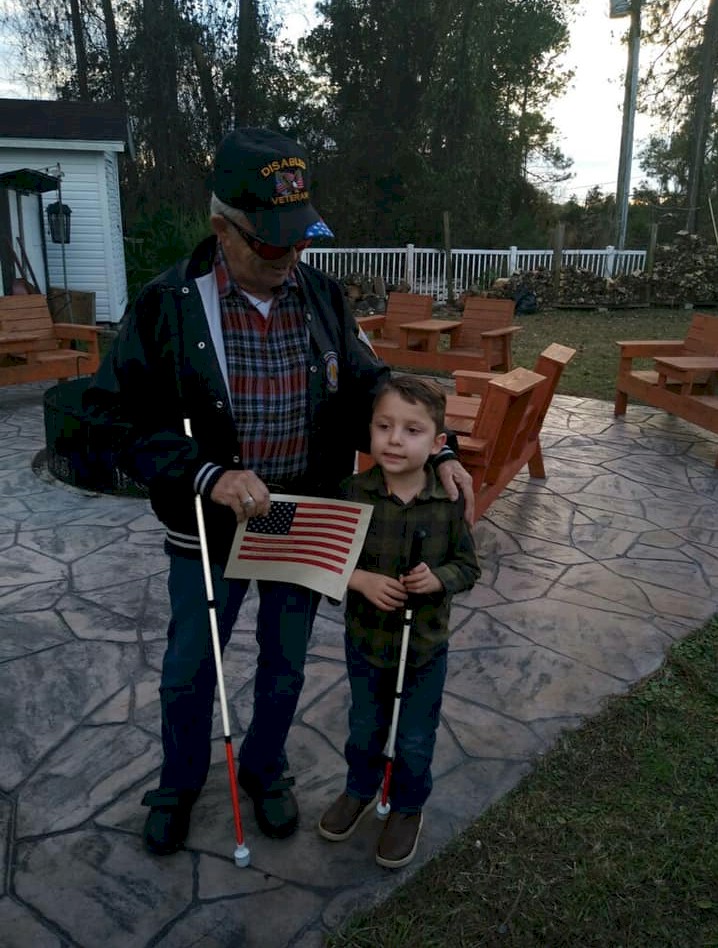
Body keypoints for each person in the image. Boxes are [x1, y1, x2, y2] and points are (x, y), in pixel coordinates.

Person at [83, 126, 475, 856]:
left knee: (286, 663)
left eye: (299, 238)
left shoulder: (320, 296)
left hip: (300, 515)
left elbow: (372, 389)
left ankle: (266, 771)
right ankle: (178, 784)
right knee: (189, 667)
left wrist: (441, 446)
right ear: (220, 228)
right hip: (210, 520)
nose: (290, 256)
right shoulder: (168, 303)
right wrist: (206, 473)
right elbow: (112, 418)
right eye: (270, 242)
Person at [318, 375, 480, 868]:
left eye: (411, 430)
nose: (394, 439)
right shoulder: (352, 492)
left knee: (413, 736)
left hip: (426, 647)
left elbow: (469, 567)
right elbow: (330, 559)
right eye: (384, 426)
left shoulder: (448, 501)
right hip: (366, 642)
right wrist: (361, 580)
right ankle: (359, 789)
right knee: (365, 726)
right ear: (369, 431)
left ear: (436, 444)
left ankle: (407, 807)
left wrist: (439, 579)